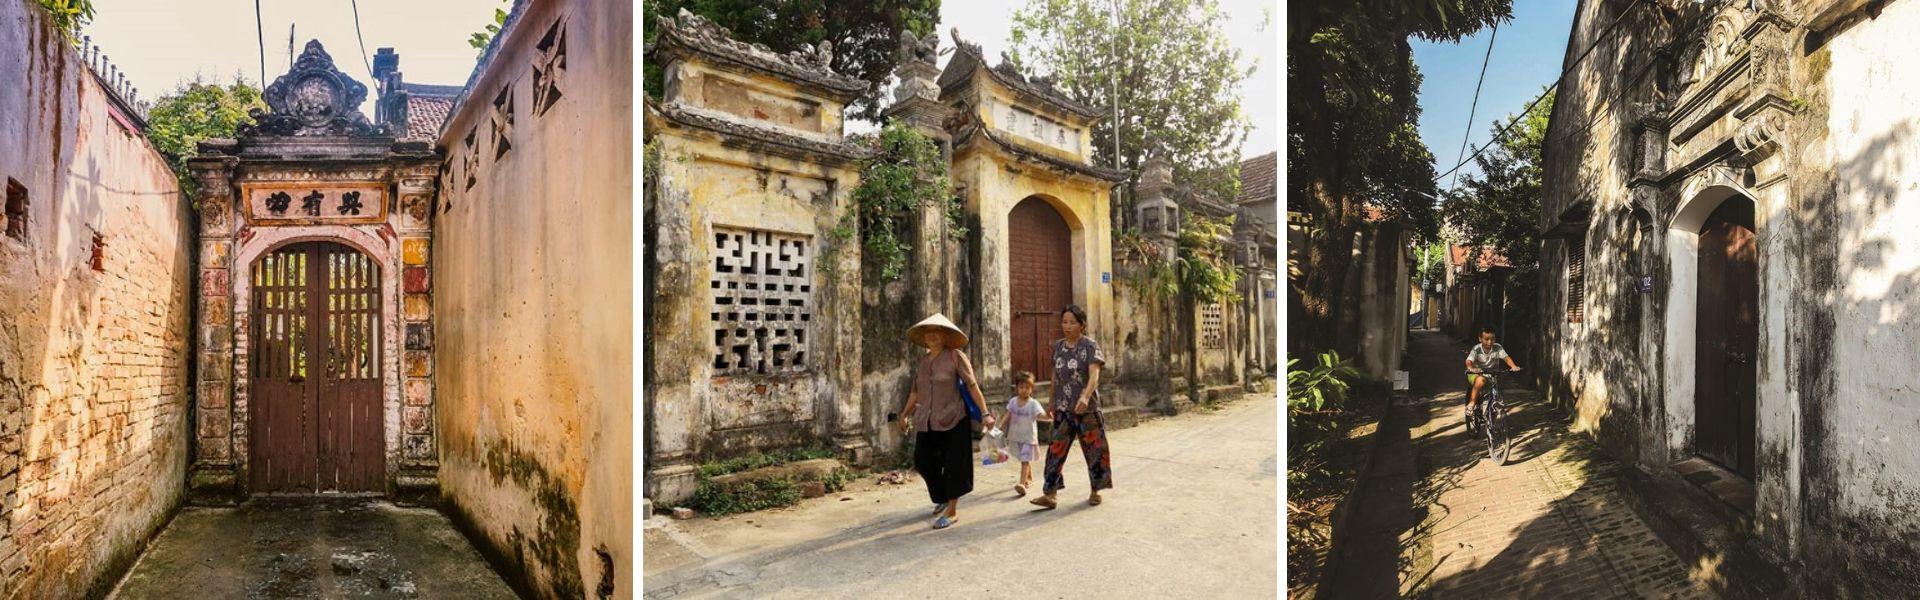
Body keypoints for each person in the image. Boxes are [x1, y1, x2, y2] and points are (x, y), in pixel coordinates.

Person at [897, 313, 994, 529]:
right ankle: (941, 496)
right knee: (922, 461)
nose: (931, 335)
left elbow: (972, 385)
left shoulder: (955, 356)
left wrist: (985, 413)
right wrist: (905, 414)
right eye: (928, 332)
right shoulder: (923, 362)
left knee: (954, 466)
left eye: (936, 331)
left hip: (953, 418)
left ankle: (952, 510)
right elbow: (915, 392)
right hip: (927, 420)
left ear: (945, 336)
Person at [1031, 304, 1114, 509]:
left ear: (1082, 325)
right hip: (1063, 408)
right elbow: (1055, 376)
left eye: (1072, 322)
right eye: (1064, 322)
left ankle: (1096, 490)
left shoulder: (1089, 346)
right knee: (1055, 449)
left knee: (1094, 449)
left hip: (1087, 409)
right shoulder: (1059, 346)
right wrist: (1051, 401)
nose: (1067, 326)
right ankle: (1050, 494)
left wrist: (1085, 396)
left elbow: (1094, 374)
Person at [999, 371, 1051, 497]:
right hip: (1016, 436)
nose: (1024, 390)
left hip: (1028, 438)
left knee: (1024, 460)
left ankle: (1022, 484)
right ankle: (1029, 478)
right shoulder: (1013, 402)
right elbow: (1008, 414)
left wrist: (1049, 416)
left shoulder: (1033, 404)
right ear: (1017, 388)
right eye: (1021, 387)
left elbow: (1040, 416)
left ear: (1032, 389)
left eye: (1027, 388)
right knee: (1023, 459)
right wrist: (1000, 426)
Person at [1465, 327, 1521, 429]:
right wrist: (1471, 368)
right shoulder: (1476, 349)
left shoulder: (1498, 347)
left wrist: (1513, 366)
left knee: (1496, 393)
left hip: (1491, 374)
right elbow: (1469, 361)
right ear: (1480, 339)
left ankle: (1491, 419)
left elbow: (1506, 358)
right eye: (1486, 339)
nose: (1490, 342)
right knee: (1481, 380)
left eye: (1492, 339)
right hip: (1476, 373)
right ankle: (1472, 403)